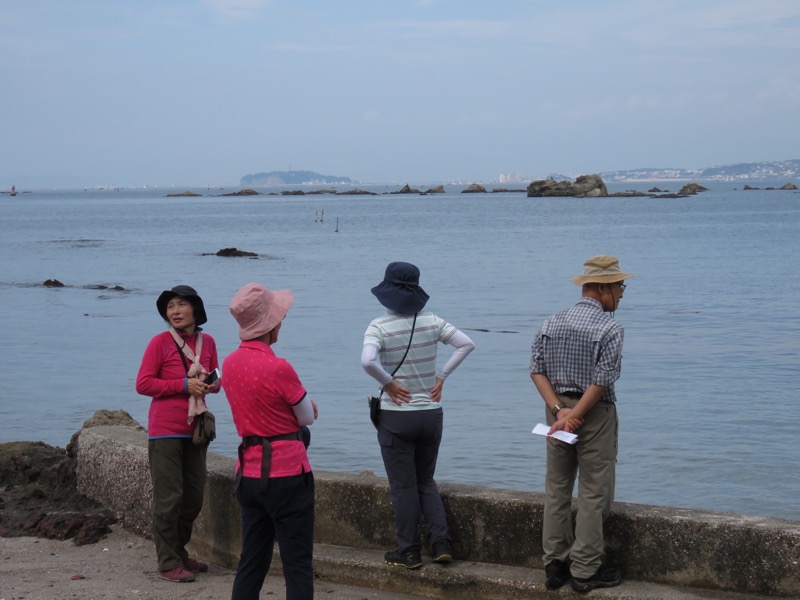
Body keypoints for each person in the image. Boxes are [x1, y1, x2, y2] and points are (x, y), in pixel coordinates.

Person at [529, 255, 633, 593]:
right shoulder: (610, 328)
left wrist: (560, 411)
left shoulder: (551, 322)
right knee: (594, 490)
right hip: (594, 413)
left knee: (557, 486)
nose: (621, 293)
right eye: (619, 286)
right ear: (603, 289)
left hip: (556, 412)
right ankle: (585, 570)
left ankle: (554, 563)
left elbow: (536, 369)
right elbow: (601, 381)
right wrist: (576, 415)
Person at [361, 262, 475, 569]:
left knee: (403, 486)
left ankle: (408, 550)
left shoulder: (378, 327)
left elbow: (368, 361)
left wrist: (388, 382)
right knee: (426, 481)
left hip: (396, 417)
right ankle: (441, 544)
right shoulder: (433, 321)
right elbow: (467, 344)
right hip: (431, 414)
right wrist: (441, 377)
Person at [223, 282, 317, 600]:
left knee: (252, 558)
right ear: (270, 325)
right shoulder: (279, 367)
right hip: (288, 476)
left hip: (248, 473)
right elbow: (306, 417)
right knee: (297, 564)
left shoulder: (230, 364)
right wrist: (307, 406)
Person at [135, 285, 221, 583]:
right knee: (168, 499)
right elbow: (143, 384)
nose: (174, 311)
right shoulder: (159, 343)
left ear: (195, 310)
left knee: (194, 498)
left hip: (195, 430)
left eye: (181, 305)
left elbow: (215, 377)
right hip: (165, 431)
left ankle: (179, 552)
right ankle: (168, 562)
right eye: (170, 306)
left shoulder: (207, 342)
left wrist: (211, 384)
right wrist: (183, 386)